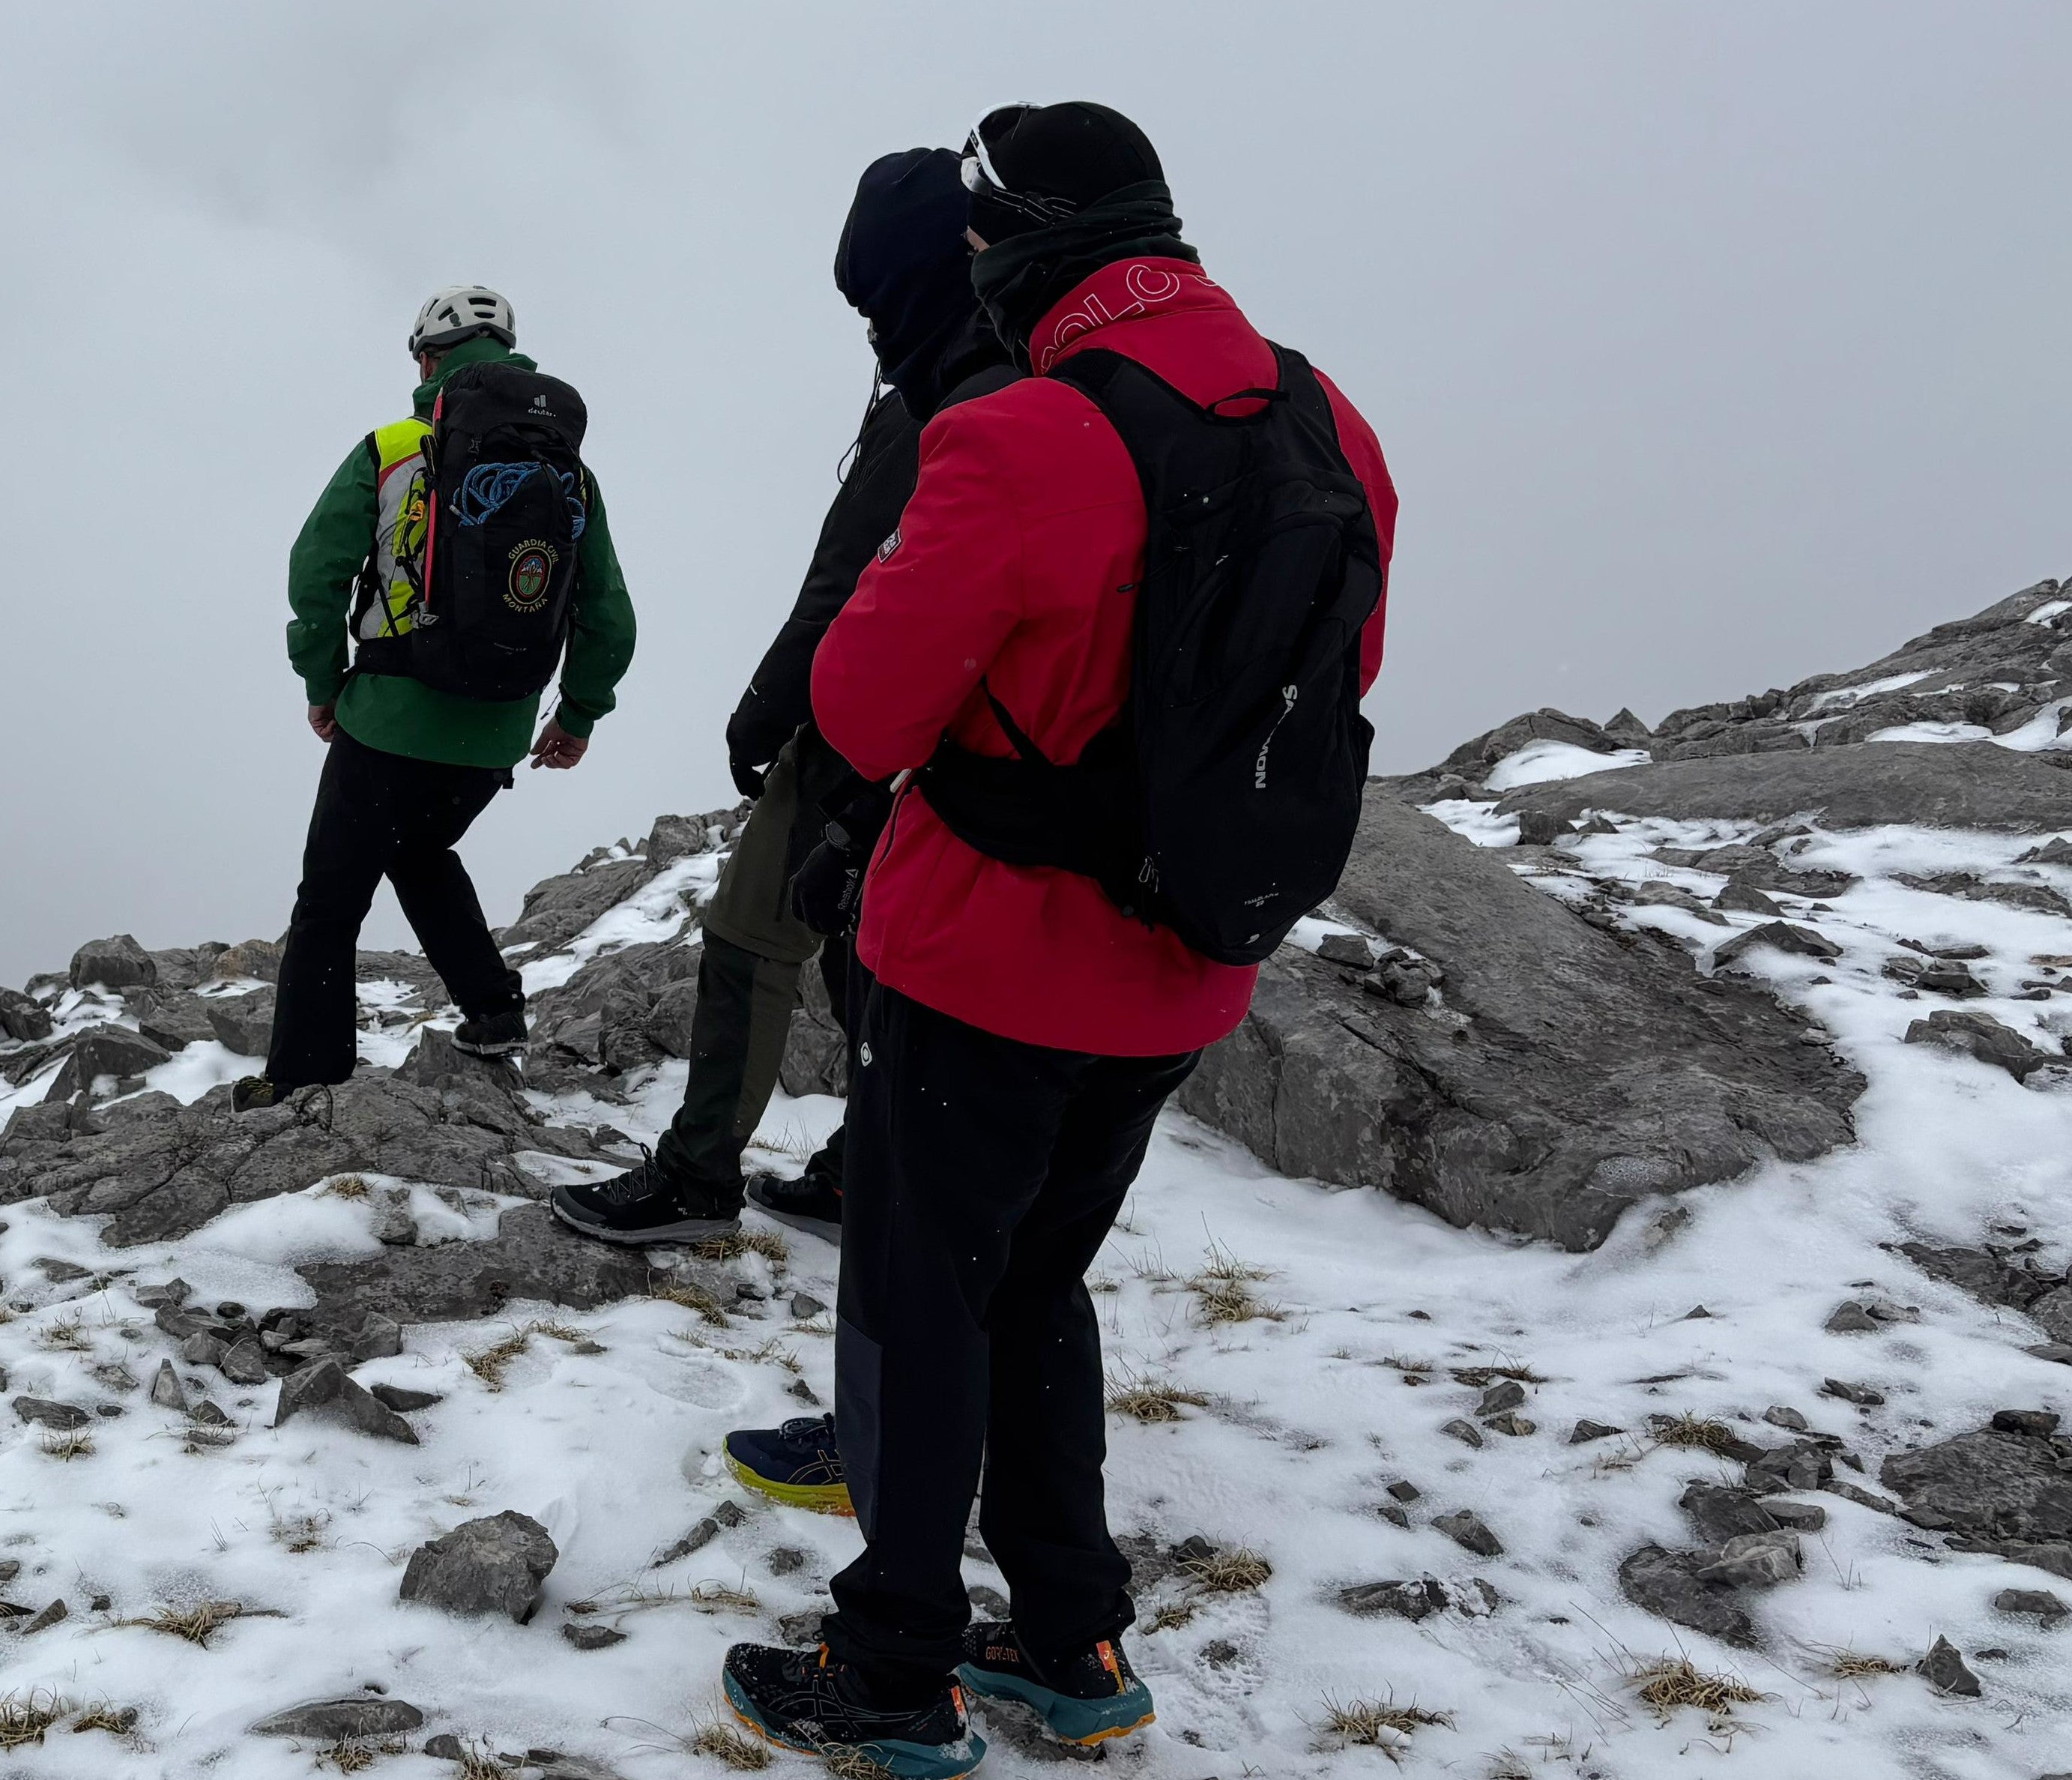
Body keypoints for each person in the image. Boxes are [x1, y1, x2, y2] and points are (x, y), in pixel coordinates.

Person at [716, 103, 1398, 1775]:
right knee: (1036, 1283)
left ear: (1019, 249)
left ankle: (889, 1670)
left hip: (984, 962)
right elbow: (1338, 680)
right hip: (1182, 966)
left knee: (921, 1300)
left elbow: (862, 710)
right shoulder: (1328, 416)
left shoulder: (1023, 437)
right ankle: (1072, 1638)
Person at [549, 150, 1014, 1248]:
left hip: (871, 717)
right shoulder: (1029, 377)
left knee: (753, 932)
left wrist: (761, 714)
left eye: (868, 296)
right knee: (872, 946)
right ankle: (867, 1164)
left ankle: (698, 1174)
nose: (863, 327)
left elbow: (845, 587)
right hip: (983, 730)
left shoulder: (934, 410)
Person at [234, 287, 635, 1111]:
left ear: (427, 362)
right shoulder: (569, 471)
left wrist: (322, 685)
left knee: (329, 902)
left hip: (385, 716)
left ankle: (305, 1078)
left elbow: (314, 576)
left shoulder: (389, 449)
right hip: (493, 734)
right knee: (419, 850)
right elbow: (608, 613)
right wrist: (577, 714)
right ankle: (491, 1010)